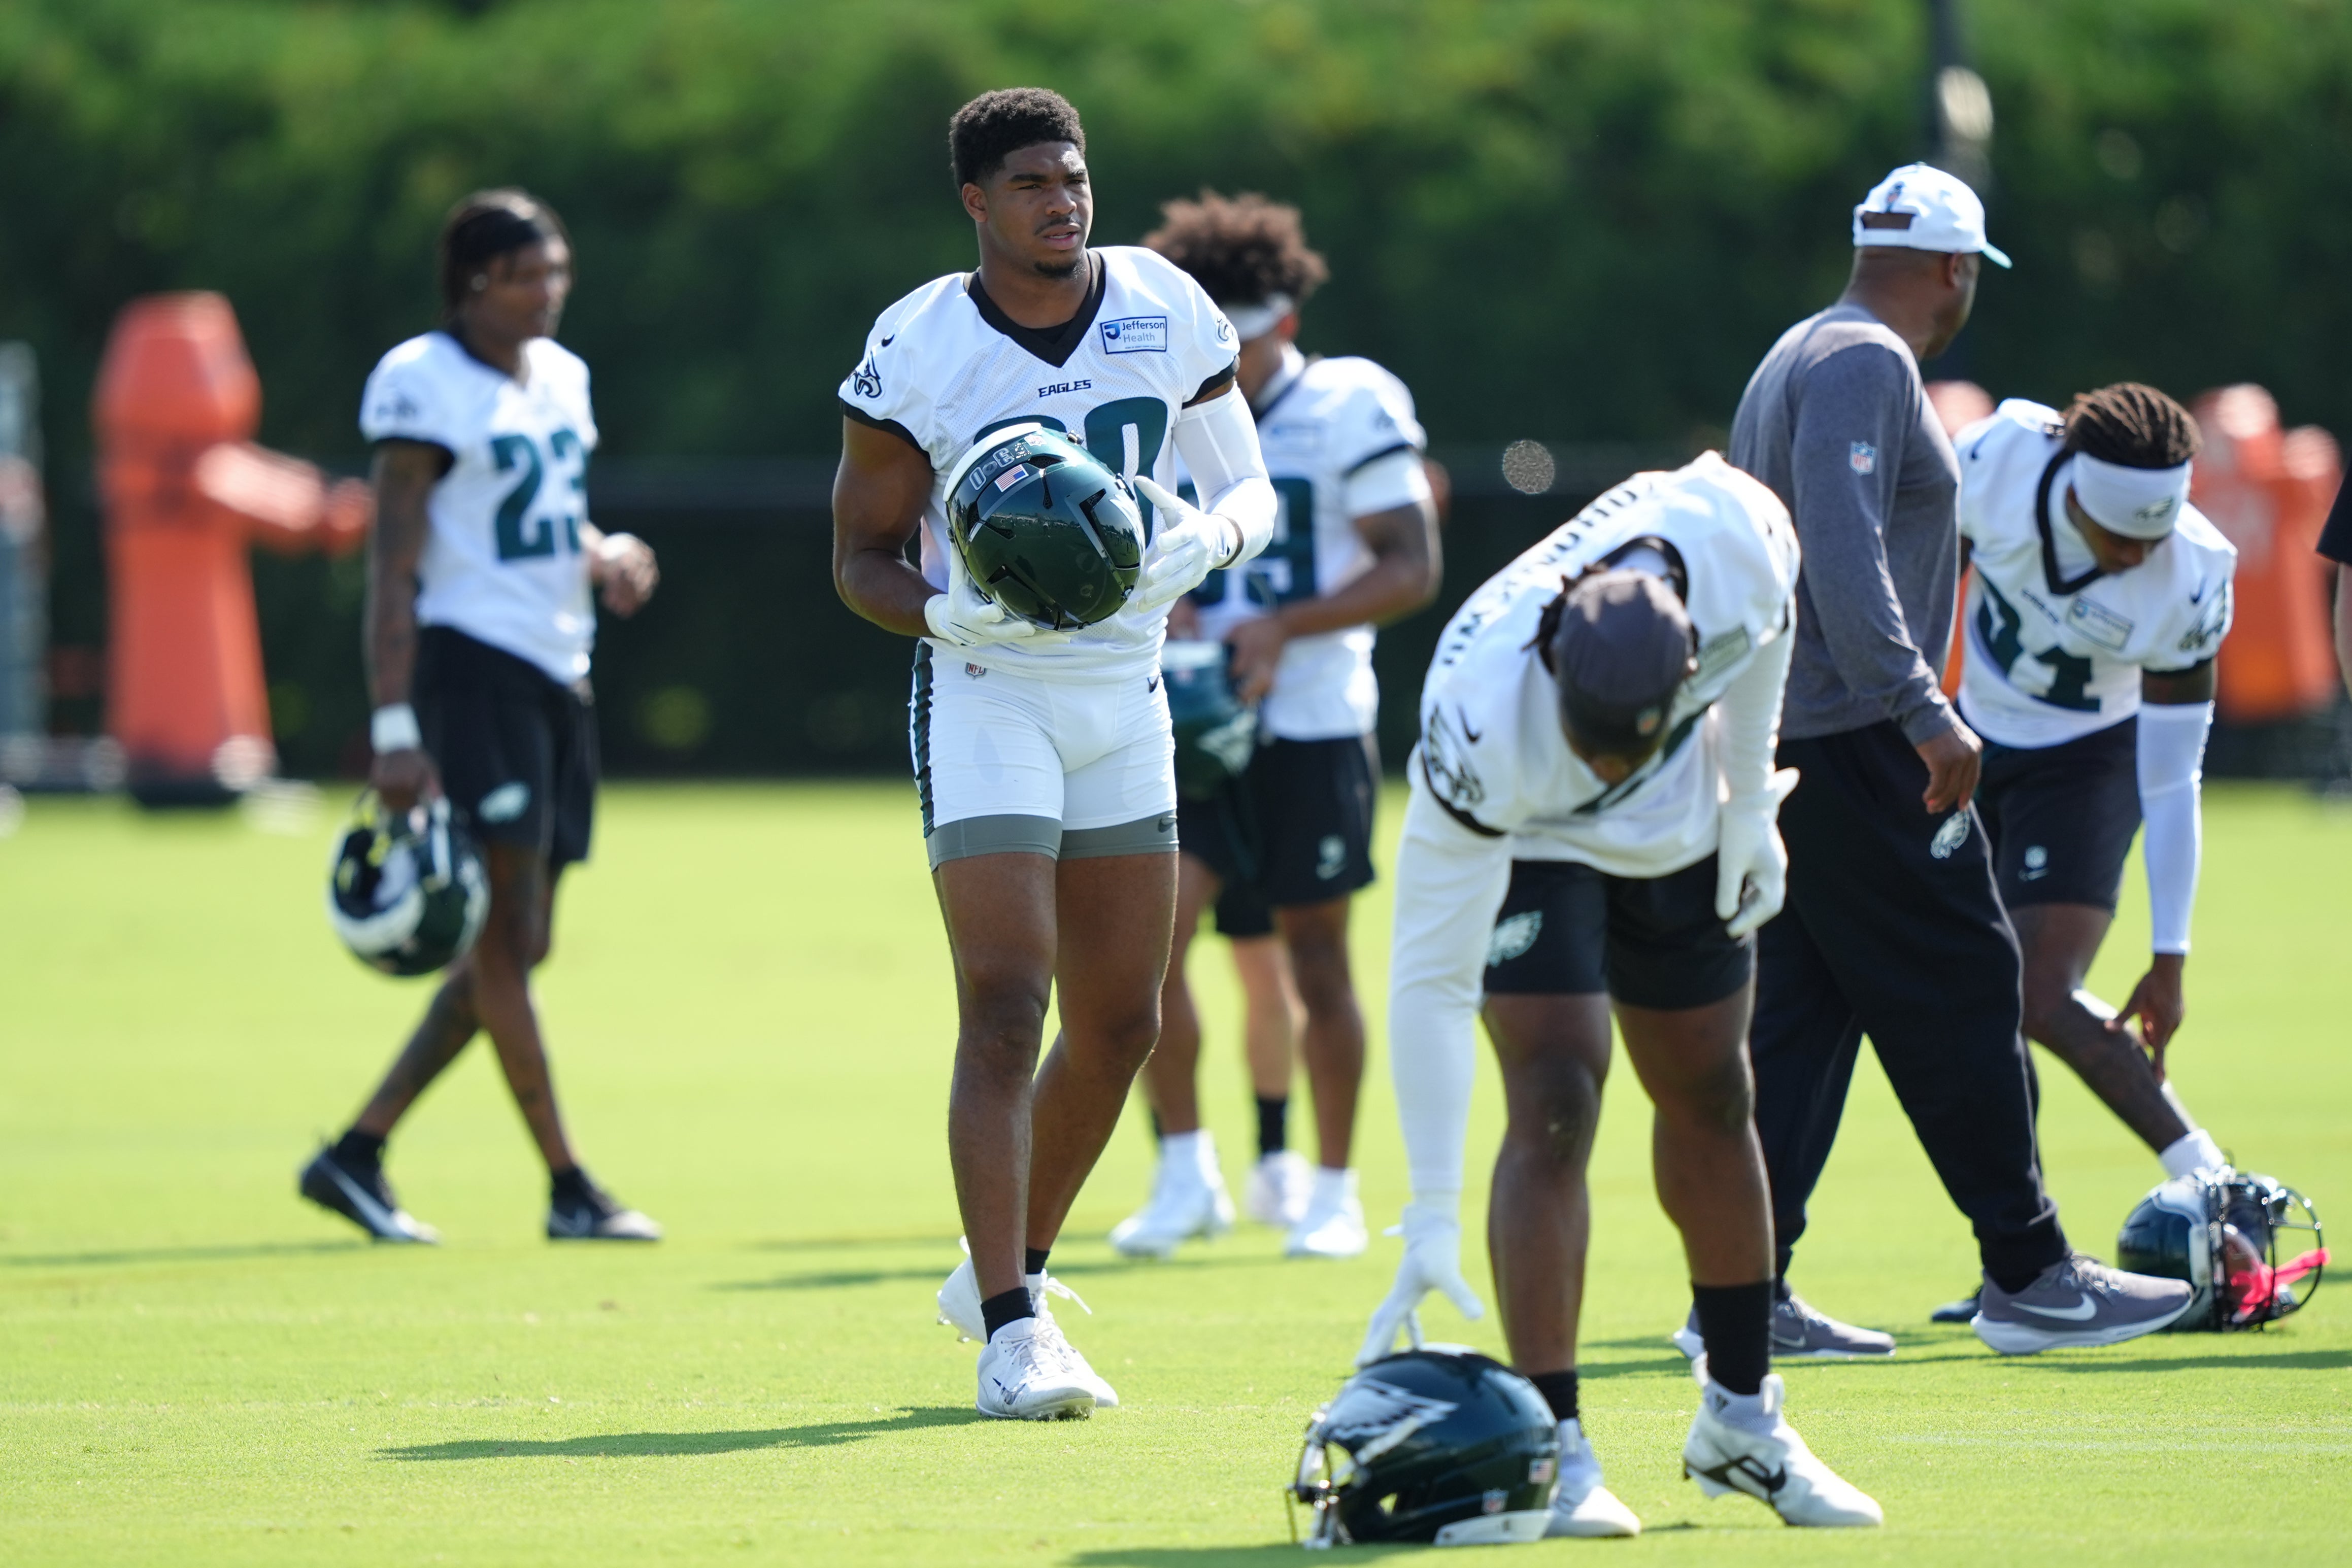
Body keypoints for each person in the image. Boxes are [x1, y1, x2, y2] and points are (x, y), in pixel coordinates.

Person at [829, 89, 1275, 1421]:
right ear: (976, 200)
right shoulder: (921, 343)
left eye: (1073, 179)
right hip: (986, 689)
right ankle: (1015, 1327)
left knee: (1126, 1018)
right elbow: (856, 557)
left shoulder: (1162, 303)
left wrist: (1215, 541)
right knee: (1007, 1000)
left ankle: (997, 1268)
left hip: (1126, 691)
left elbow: (1244, 482)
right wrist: (945, 606)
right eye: (1029, 183)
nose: (1060, 202)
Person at [1719, 163, 2192, 1358]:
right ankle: (2029, 1274)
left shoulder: (1800, 345)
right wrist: (1919, 705)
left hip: (1788, 727)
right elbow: (1839, 535)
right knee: (1973, 983)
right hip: (1858, 734)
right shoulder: (1867, 360)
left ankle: (1741, 1290)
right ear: (1953, 269)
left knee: (1803, 1021)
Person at [1361, 456, 1881, 1533]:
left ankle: (1742, 1422)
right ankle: (1557, 1448)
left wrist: (1747, 809)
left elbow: (1768, 637)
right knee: (1557, 1093)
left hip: (1683, 819)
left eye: (1618, 751)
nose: (1601, 770)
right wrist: (1425, 1212)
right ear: (1551, 665)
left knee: (1713, 1093)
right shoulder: (1477, 710)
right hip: (1530, 840)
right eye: (1588, 747)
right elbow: (1427, 972)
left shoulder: (1743, 542)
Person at [299, 189, 664, 1246]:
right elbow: (394, 562)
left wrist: (602, 554)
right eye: (523, 275)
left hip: (557, 667)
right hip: (472, 671)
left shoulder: (561, 375)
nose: (546, 292)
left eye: (556, 271)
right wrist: (396, 727)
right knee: (503, 941)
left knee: (520, 941)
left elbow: (543, 508)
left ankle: (356, 1152)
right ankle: (567, 1184)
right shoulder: (422, 381)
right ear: (472, 283)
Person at [1108, 192, 1441, 1260]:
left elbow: (1410, 564)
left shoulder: (1349, 403)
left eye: (1240, 341)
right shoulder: (1161, 405)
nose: (1226, 361)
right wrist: (1171, 595)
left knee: (1317, 958)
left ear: (1284, 324)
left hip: (1311, 722)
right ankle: (1184, 1171)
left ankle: (1334, 1187)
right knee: (1148, 946)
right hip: (1186, 719)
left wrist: (1285, 626)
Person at [1919, 384, 2235, 1321]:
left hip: (2090, 759)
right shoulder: (1999, 458)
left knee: (2033, 990)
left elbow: (2174, 771)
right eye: (2118, 533)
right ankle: (2023, 1260)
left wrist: (2169, 956)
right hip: (1966, 736)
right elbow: (1925, 584)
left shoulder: (2192, 570)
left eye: (2153, 533)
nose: (2136, 554)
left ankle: (2208, 1175)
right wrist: (1918, 715)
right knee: (1978, 1003)